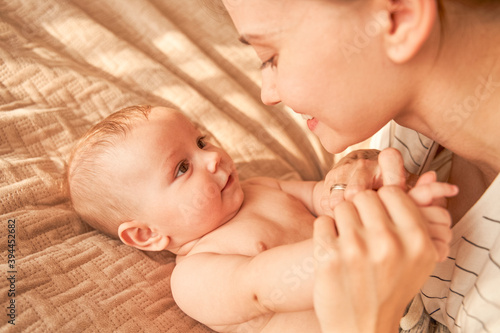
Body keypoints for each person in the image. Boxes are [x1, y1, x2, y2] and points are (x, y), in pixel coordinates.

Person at [219, 0, 500, 332]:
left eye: (270, 58)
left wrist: (365, 323)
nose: (269, 94)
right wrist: (357, 165)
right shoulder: (406, 126)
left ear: (399, 18)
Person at [66, 105, 456, 333]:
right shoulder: (196, 274)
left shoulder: (261, 187)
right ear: (147, 233)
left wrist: (374, 196)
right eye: (182, 167)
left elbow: (323, 196)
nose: (213, 156)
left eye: (201, 141)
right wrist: (360, 240)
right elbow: (265, 285)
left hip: (402, 304)